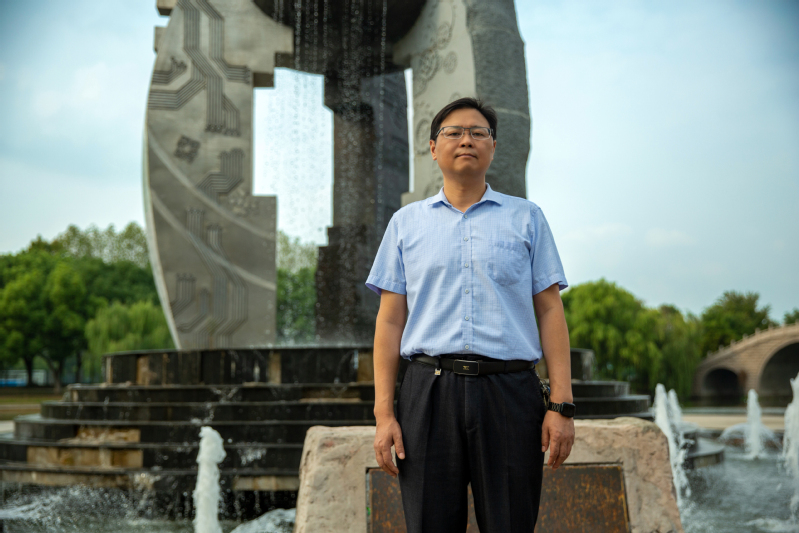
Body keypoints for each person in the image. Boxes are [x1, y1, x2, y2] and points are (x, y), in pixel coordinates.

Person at [366, 97, 575, 533]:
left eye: (479, 133)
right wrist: (384, 414)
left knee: (511, 522)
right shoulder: (405, 224)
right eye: (454, 132)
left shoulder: (527, 218)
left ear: (493, 147)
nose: (466, 140)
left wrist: (561, 405)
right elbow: (389, 321)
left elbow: (550, 309)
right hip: (427, 392)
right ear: (433, 147)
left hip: (510, 392)